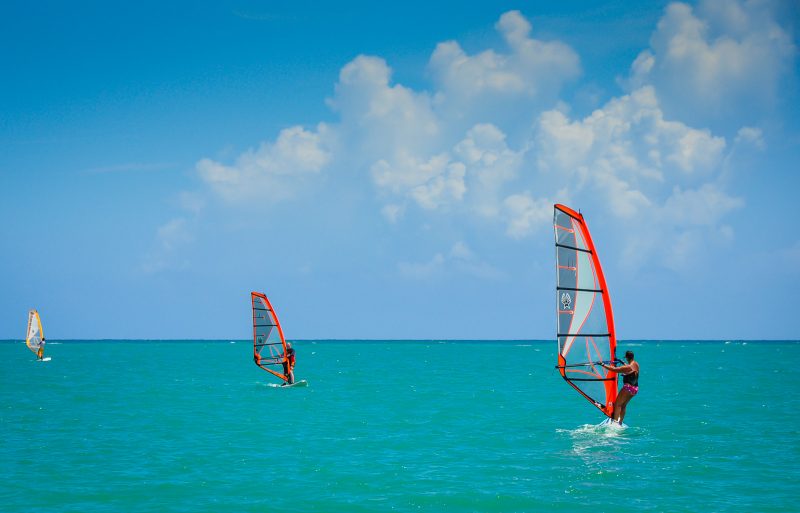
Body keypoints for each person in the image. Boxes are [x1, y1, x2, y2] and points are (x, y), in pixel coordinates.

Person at [600, 350, 639, 424]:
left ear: (627, 357)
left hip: (628, 388)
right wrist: (621, 362)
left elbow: (614, 370)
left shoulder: (628, 367)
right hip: (635, 389)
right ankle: (620, 422)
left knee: (618, 404)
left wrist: (603, 365)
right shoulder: (636, 364)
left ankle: (614, 422)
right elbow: (629, 370)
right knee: (623, 405)